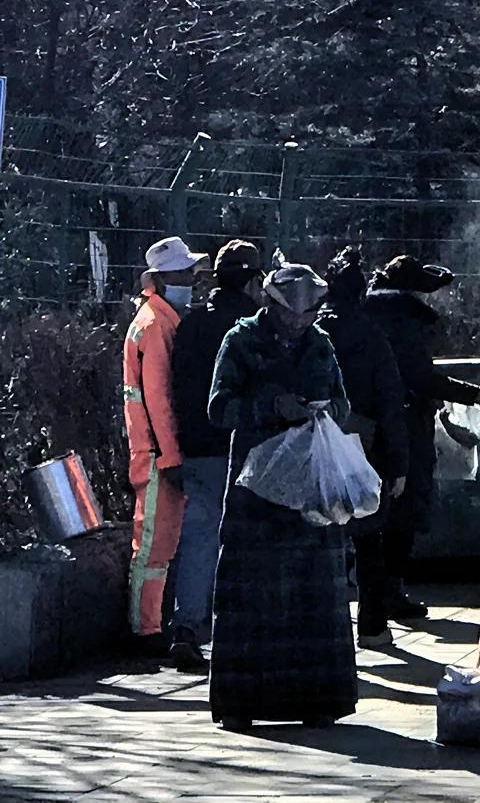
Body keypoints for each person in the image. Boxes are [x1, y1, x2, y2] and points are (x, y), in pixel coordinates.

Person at [207, 262, 356, 731]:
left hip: (310, 490)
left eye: (308, 313)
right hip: (258, 491)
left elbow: (344, 401)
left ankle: (316, 700)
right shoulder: (241, 341)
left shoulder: (320, 344)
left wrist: (327, 410)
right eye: (291, 313)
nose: (300, 321)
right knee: (253, 595)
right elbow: (218, 407)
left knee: (314, 594)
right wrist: (271, 408)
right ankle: (240, 702)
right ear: (270, 305)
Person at [364, 254, 480, 620]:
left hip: (368, 425)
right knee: (403, 508)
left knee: (372, 513)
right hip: (402, 426)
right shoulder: (403, 320)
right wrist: (473, 395)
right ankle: (388, 593)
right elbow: (419, 376)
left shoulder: (369, 312)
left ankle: (375, 596)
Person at [167, 240, 265, 671]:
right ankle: (242, 631)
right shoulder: (251, 327)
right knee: (248, 538)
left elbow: (174, 387)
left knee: (199, 536)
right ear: (250, 280)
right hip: (243, 447)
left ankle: (187, 627)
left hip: (195, 446)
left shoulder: (189, 325)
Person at [320, 247, 410, 650]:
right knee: (368, 537)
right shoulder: (372, 337)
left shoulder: (308, 331)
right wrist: (399, 463)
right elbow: (390, 401)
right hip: (365, 448)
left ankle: (323, 624)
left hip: (316, 446)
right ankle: (371, 625)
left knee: (320, 537)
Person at [123, 235, 208, 648]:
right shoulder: (157, 324)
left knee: (159, 541)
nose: (192, 278)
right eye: (185, 272)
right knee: (154, 543)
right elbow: (158, 397)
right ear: (164, 276)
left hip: (156, 449)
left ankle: (152, 625)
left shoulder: (159, 317)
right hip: (158, 453)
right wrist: (170, 456)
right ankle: (147, 630)